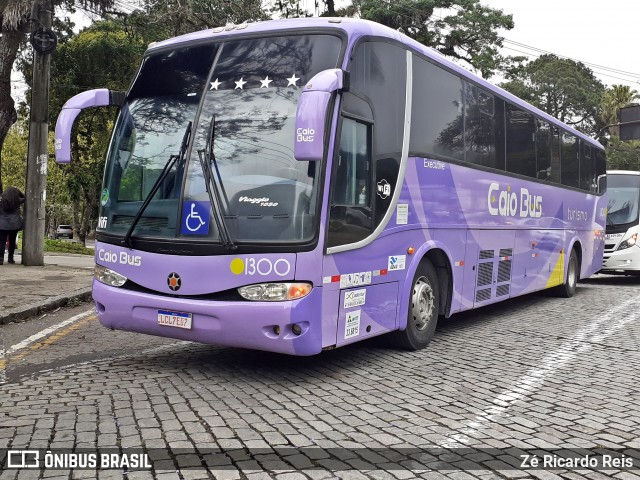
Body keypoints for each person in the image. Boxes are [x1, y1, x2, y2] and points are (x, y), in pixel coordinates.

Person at [0, 186, 25, 265]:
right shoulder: (18, 201)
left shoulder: (1, 201)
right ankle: (10, 258)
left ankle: (0, 259)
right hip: (14, 225)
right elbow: (25, 197)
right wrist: (18, 190)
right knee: (12, 241)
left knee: (2, 242)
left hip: (2, 224)